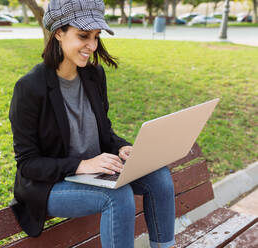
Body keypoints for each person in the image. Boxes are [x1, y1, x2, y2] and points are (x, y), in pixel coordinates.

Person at [9, 0, 175, 247]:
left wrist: (121, 147)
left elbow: (104, 131)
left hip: (94, 174)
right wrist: (81, 165)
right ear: (58, 33)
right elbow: (28, 164)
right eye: (83, 35)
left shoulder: (94, 75)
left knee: (158, 177)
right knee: (116, 195)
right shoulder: (29, 88)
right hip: (51, 185)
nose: (92, 45)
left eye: (96, 36)